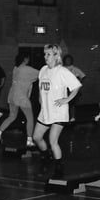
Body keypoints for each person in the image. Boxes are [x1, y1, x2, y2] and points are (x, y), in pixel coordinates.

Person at [33, 45, 82, 178]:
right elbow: (40, 89)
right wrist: (40, 100)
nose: (45, 57)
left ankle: (59, 168)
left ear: (56, 56)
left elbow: (77, 86)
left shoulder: (62, 71)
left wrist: (66, 100)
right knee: (36, 137)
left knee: (52, 140)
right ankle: (45, 155)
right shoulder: (43, 70)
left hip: (58, 112)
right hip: (45, 111)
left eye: (48, 54)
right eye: (44, 54)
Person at [0, 52, 39, 147]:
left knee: (12, 116)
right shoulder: (28, 69)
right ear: (25, 59)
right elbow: (42, 74)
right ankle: (29, 140)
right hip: (21, 98)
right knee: (30, 118)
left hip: (12, 97)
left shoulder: (15, 69)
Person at [62, 54, 85, 122]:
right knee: (64, 104)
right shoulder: (62, 68)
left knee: (72, 104)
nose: (68, 61)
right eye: (66, 60)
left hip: (72, 90)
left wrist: (78, 83)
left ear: (71, 61)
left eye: (69, 60)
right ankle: (65, 118)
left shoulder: (75, 69)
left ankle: (72, 118)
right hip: (63, 89)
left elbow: (83, 76)